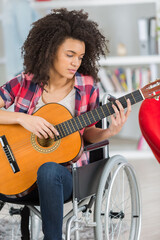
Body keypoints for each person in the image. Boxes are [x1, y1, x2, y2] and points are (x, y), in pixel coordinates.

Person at [0, 8, 131, 240]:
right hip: (17, 173)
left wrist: (111, 130)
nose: (75, 63)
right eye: (70, 54)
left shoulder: (87, 86)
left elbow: (87, 133)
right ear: (51, 51)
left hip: (64, 178)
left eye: (80, 57)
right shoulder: (25, 81)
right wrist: (23, 118)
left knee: (49, 169)